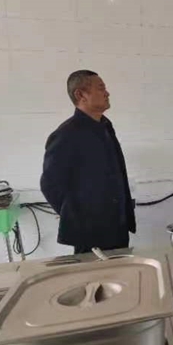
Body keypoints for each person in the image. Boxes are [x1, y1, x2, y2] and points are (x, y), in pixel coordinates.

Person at [40, 70, 136, 254]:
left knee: (120, 270)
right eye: (101, 88)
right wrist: (76, 216)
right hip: (90, 232)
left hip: (117, 224)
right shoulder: (67, 134)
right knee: (94, 273)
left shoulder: (105, 126)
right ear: (80, 95)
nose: (107, 93)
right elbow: (50, 185)